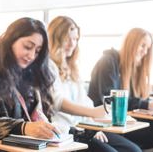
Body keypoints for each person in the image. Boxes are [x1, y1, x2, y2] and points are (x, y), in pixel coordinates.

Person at [48, 16, 141, 152]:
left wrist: (92, 125)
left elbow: (84, 101)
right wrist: (92, 114)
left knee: (133, 150)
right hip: (65, 130)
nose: (72, 44)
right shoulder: (48, 66)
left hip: (84, 126)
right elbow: (57, 102)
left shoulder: (72, 67)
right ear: (55, 39)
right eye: (67, 38)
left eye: (75, 39)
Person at [0, 17, 61, 151]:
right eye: (27, 47)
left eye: (37, 51)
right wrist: (23, 127)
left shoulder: (28, 69)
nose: (31, 55)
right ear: (11, 39)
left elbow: (35, 115)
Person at [88, 28, 153, 151]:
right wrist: (146, 104)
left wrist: (151, 104)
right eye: (142, 46)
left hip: (127, 124)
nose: (145, 52)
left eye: (147, 48)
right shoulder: (108, 62)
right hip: (107, 125)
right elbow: (111, 101)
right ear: (131, 43)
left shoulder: (134, 69)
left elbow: (134, 99)